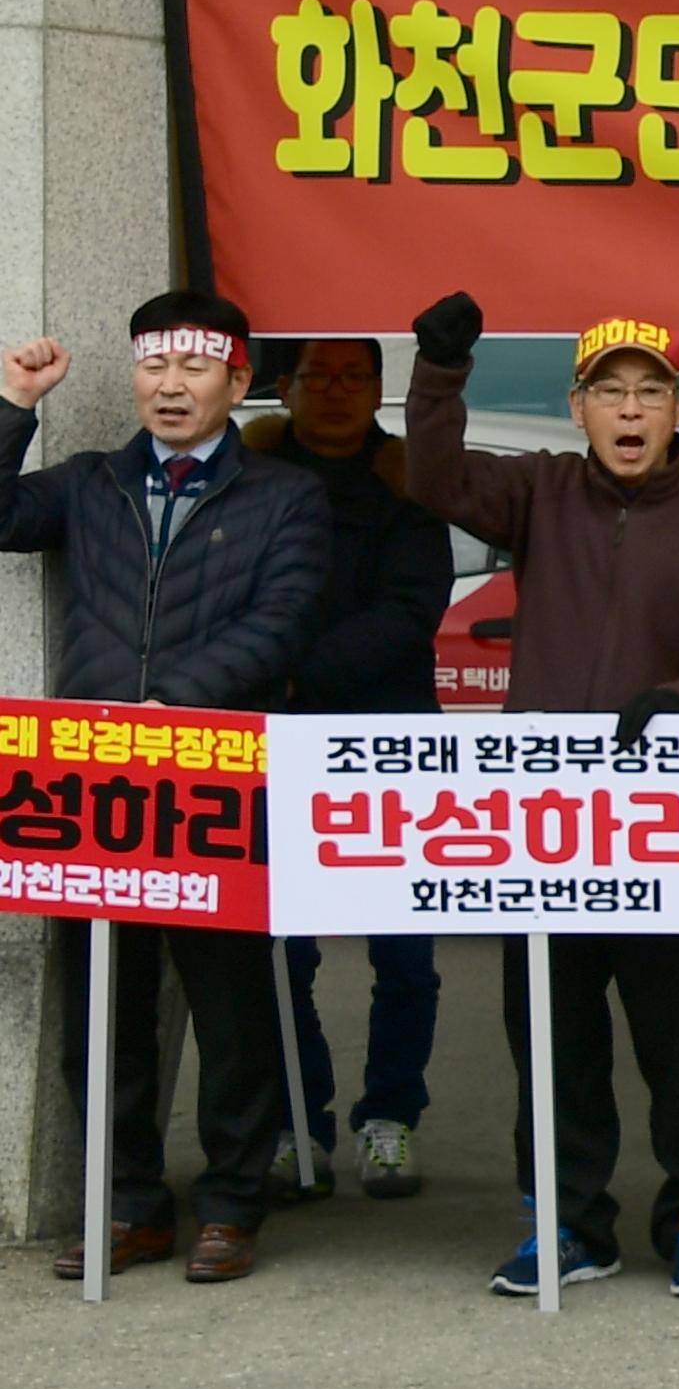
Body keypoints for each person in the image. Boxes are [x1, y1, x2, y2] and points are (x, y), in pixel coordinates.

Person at [407, 295, 679, 1301]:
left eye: (652, 390)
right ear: (579, 407)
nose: (632, 409)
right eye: (612, 391)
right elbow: (433, 477)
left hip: (670, 816)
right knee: (552, 1026)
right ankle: (566, 1219)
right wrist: (440, 372)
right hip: (549, 815)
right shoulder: (540, 492)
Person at [2, 294, 325, 1283]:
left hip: (213, 770)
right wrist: (15, 403)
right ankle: (129, 1202)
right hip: (90, 777)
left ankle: (232, 1200)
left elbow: (283, 618)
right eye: (154, 368)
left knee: (231, 1004)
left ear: (238, 382)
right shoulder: (90, 481)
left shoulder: (285, 495)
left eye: (195, 369)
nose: (171, 386)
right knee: (102, 1004)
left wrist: (169, 699)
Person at [246, 335, 453, 1205]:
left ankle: (390, 1118)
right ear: (283, 387)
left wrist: (296, 672)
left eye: (354, 374)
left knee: (404, 953)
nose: (335, 389)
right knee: (280, 950)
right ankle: (300, 1122)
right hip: (273, 739)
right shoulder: (247, 483)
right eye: (317, 374)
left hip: (392, 739)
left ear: (378, 389)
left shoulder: (406, 485)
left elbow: (412, 609)